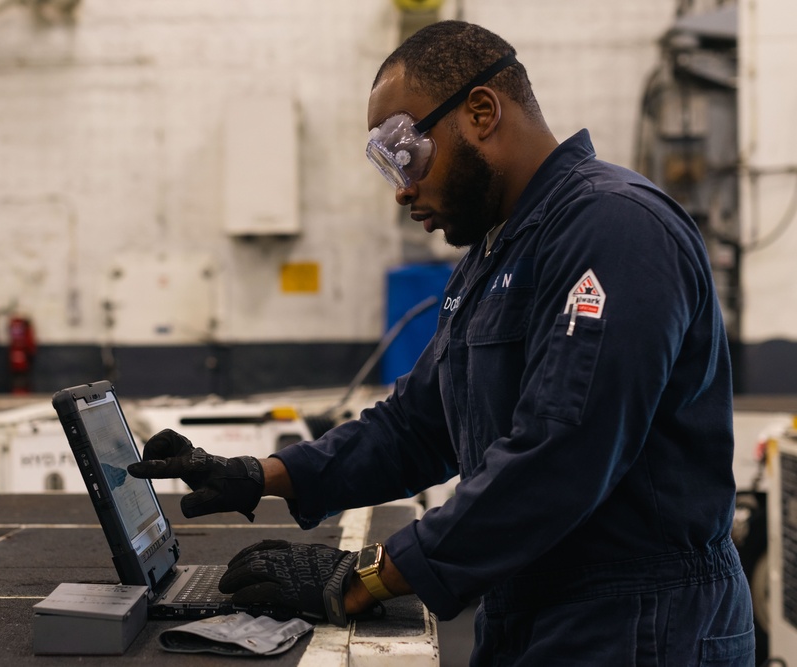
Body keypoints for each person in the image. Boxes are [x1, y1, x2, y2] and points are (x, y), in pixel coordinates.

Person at [129, 20, 755, 665]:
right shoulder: (496, 252)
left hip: (642, 625)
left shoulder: (616, 227)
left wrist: (367, 578)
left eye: (405, 154)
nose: (402, 188)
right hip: (538, 608)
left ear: (481, 112)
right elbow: (419, 426)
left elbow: (563, 452)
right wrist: (260, 475)